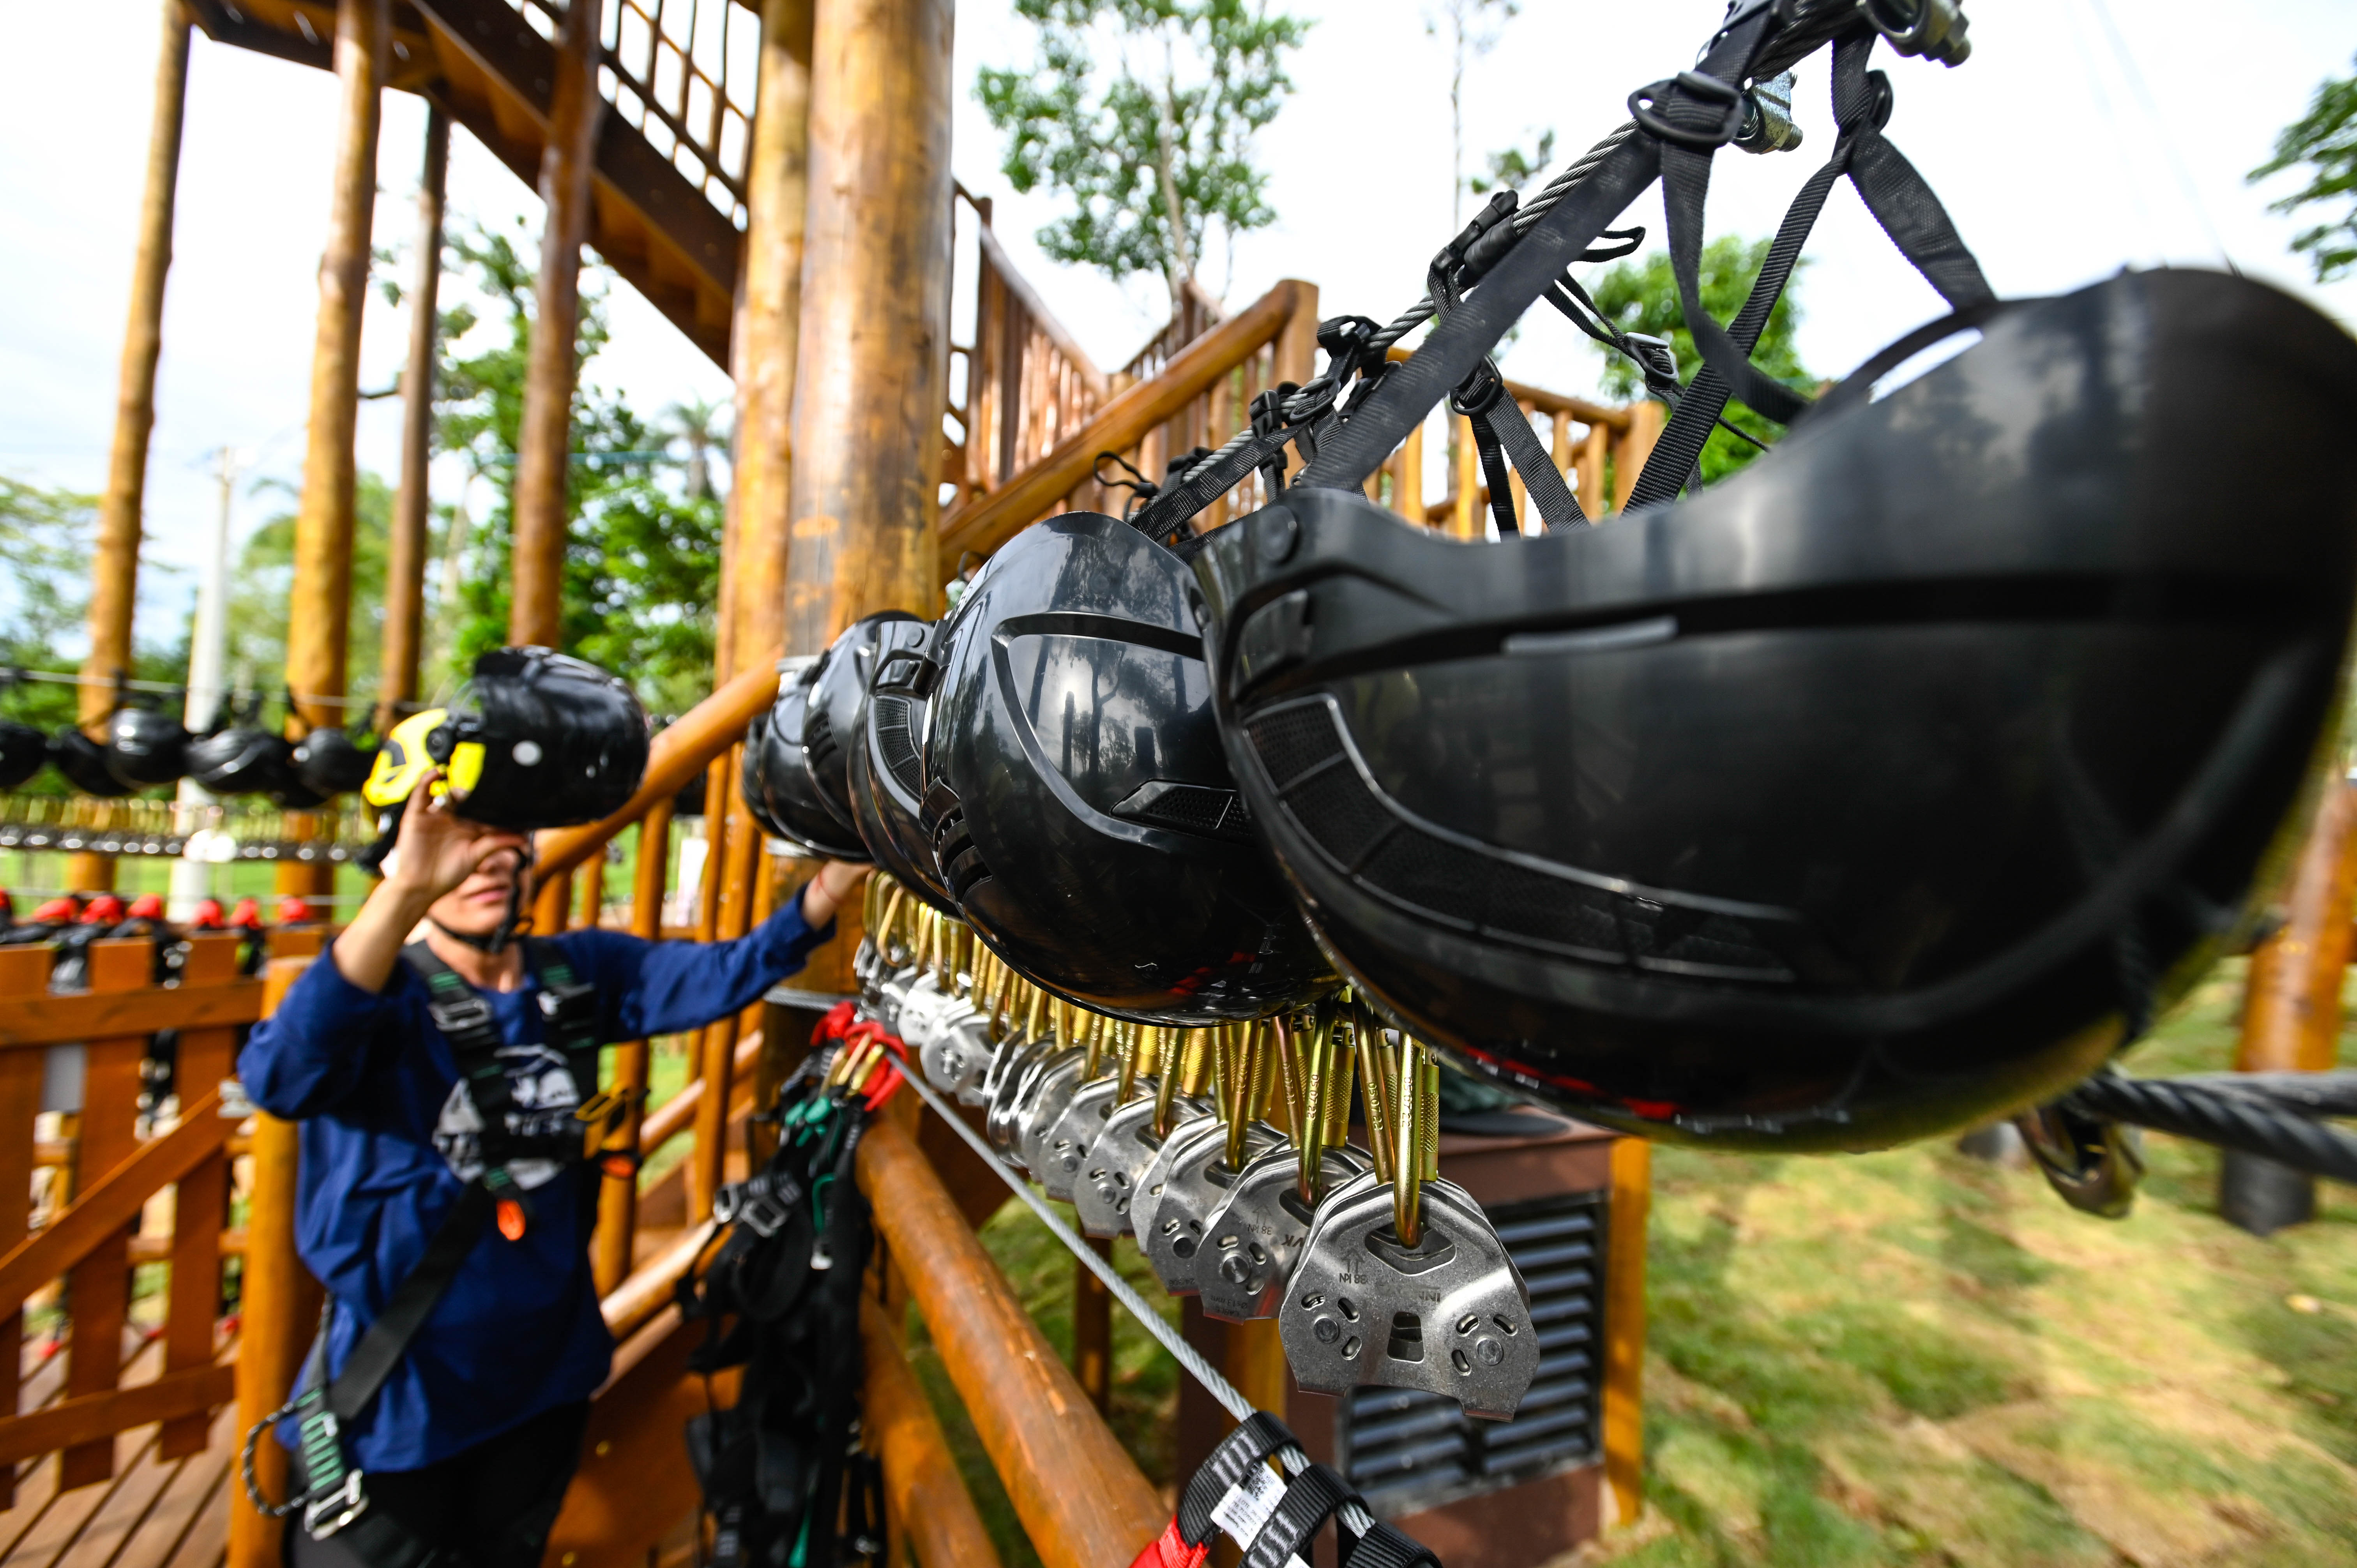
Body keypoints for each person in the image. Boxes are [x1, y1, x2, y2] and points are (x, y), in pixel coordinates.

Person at [239, 768, 868, 1567]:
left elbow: (721, 973)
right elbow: (283, 1077)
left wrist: (827, 889)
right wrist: (401, 895)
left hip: (540, 1390)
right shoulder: (378, 1000)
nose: (491, 856)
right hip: (400, 1407)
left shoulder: (573, 975)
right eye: (460, 839)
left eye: (510, 835)